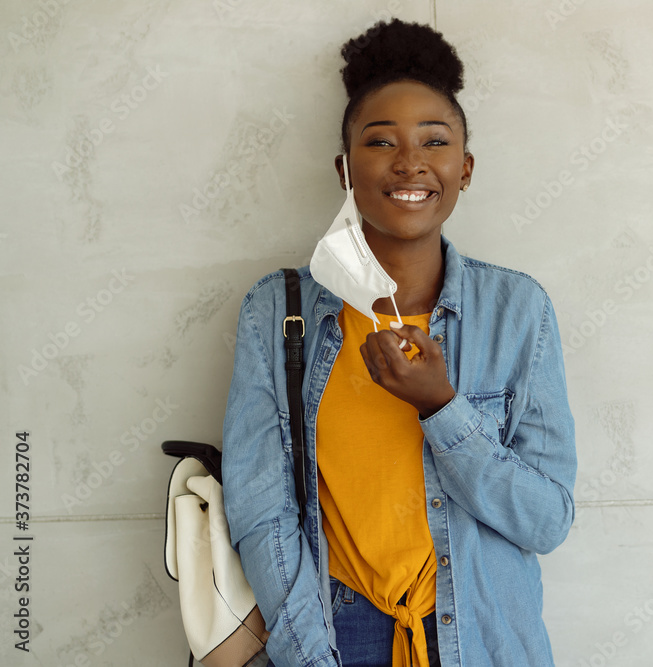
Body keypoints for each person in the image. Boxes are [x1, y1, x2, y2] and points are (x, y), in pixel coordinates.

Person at [222, 18, 576, 667]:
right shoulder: (276, 311)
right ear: (345, 167)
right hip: (334, 630)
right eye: (381, 141)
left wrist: (443, 407)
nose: (410, 161)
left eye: (434, 141)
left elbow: (546, 520)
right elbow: (260, 512)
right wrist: (311, 655)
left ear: (464, 168)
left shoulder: (518, 310)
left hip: (483, 634)